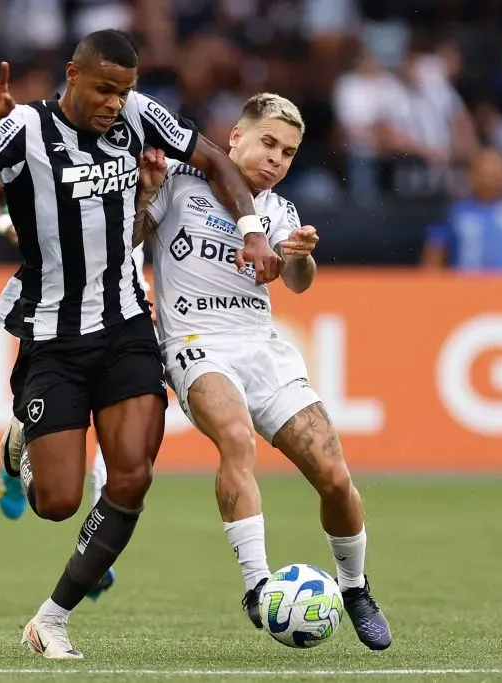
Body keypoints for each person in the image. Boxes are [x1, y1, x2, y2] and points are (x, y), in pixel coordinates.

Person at [0, 30, 282, 661]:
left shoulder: (139, 115)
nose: (115, 103)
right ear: (72, 75)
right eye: (104, 89)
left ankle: (52, 618)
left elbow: (215, 161)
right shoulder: (22, 128)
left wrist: (253, 230)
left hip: (125, 327)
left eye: (124, 91)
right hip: (53, 335)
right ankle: (22, 444)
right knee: (58, 502)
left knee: (132, 476)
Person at [133, 92, 393, 651]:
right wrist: (146, 194)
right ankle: (257, 586)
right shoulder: (180, 181)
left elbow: (297, 282)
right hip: (195, 344)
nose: (276, 159)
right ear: (235, 138)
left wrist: (299, 254)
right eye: (268, 143)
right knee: (235, 439)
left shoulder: (279, 211)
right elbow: (124, 242)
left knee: (334, 475)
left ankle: (355, 587)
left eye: (289, 152)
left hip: (262, 350)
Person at [0, 179, 119, 602]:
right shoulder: (46, 145)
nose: (113, 109)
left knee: (122, 445)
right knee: (57, 486)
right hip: (53, 315)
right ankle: (19, 442)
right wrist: (5, 227)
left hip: (123, 313)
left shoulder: (139, 152)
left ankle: (95, 554)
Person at [421, 148, 502, 271]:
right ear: (472, 175)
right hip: (465, 286)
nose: (490, 179)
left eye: (496, 173)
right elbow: (433, 260)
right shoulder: (455, 213)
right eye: (485, 173)